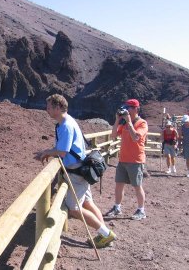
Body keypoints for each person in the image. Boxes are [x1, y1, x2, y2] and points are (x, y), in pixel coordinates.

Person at [35, 94, 116, 248]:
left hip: (75, 173)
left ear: (58, 107)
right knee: (87, 203)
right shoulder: (68, 121)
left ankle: (106, 234)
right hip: (81, 170)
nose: (47, 110)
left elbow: (63, 151)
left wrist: (46, 152)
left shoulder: (65, 125)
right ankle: (104, 234)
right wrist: (50, 152)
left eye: (50, 107)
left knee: (73, 209)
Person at [106, 99, 148, 220]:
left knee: (137, 186)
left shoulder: (142, 123)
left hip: (136, 160)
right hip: (123, 159)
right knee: (119, 185)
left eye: (129, 107)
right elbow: (113, 135)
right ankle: (117, 207)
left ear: (136, 109)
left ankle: (141, 210)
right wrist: (117, 120)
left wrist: (129, 122)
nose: (126, 110)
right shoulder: (124, 123)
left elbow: (135, 138)